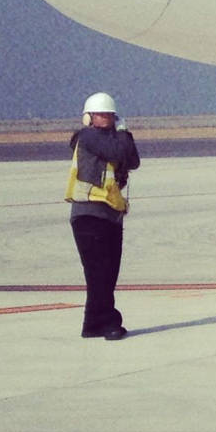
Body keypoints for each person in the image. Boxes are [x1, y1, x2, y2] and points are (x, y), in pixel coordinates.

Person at [65, 91, 139, 340]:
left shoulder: (117, 138)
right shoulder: (87, 137)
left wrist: (124, 133)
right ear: (89, 117)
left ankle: (92, 324)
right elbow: (119, 154)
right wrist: (124, 135)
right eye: (100, 114)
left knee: (108, 272)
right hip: (88, 214)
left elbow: (134, 160)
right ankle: (108, 323)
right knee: (99, 272)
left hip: (110, 214)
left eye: (109, 114)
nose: (105, 118)